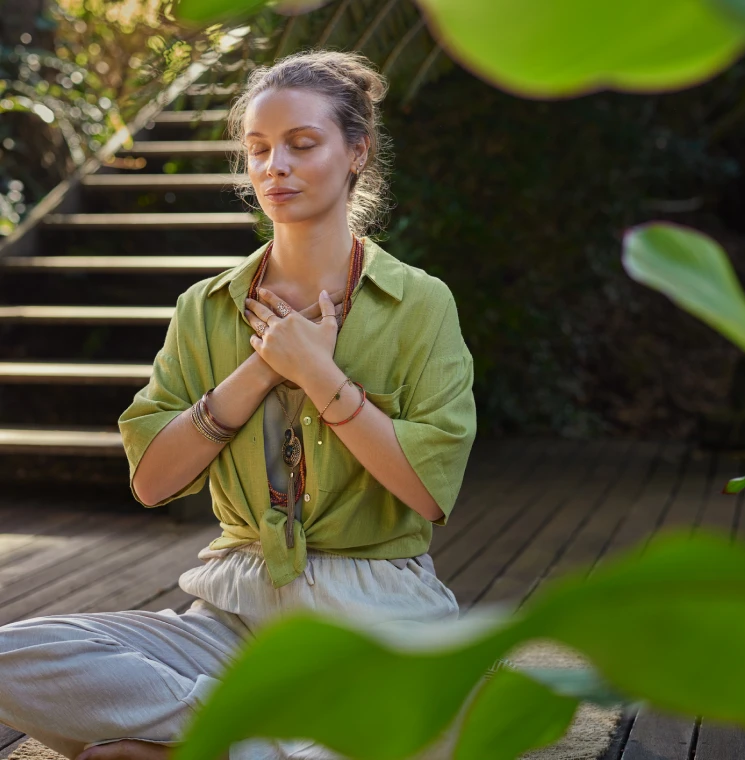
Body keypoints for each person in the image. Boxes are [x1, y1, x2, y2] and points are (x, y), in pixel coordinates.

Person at [0, 49, 477, 760]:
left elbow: (429, 489)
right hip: (233, 616)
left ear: (356, 152)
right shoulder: (206, 308)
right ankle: (250, 738)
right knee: (13, 655)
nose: (273, 167)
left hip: (379, 616)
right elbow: (154, 482)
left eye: (301, 144)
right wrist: (261, 369)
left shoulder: (419, 303)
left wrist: (319, 373)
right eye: (258, 149)